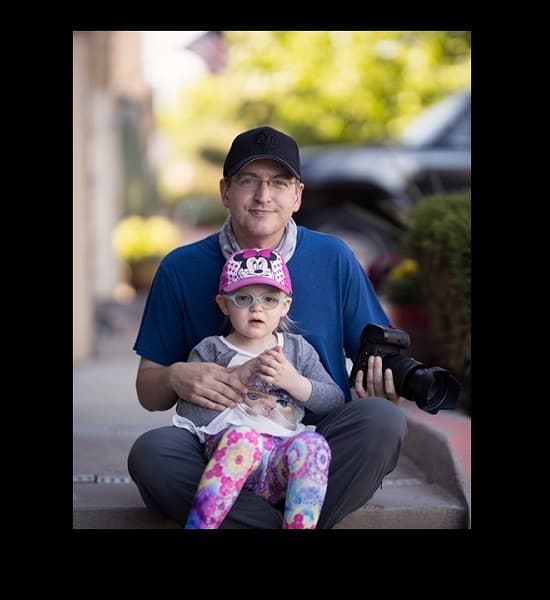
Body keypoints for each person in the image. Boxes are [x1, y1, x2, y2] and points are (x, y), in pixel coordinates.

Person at [127, 125, 408, 529]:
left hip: (311, 442)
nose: (263, 196)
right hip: (219, 445)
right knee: (152, 452)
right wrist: (175, 376)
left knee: (382, 422)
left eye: (279, 182)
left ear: (297, 195)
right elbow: (148, 392)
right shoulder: (181, 268)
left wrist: (387, 391)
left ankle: (247, 519)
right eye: (249, 181)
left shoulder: (333, 258)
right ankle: (292, 521)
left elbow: (377, 365)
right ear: (225, 191)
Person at [175, 247, 344, 529]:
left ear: (285, 305)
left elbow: (334, 401)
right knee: (245, 439)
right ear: (224, 304)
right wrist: (238, 376)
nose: (257, 308)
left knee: (314, 445)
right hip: (230, 462)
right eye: (243, 298)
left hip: (281, 464)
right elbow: (189, 414)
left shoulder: (297, 350)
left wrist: (294, 382)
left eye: (269, 299)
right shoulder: (211, 350)